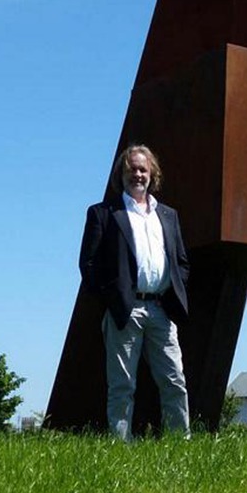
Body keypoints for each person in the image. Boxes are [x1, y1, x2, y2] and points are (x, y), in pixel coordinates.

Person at [79, 144, 191, 439]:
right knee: (122, 384)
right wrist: (112, 299)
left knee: (174, 380)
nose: (137, 174)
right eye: (132, 169)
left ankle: (181, 443)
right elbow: (88, 264)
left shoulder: (167, 215)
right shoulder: (104, 213)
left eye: (143, 169)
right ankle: (120, 448)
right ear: (122, 174)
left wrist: (173, 292)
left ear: (152, 173)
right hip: (125, 310)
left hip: (161, 309)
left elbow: (180, 260)